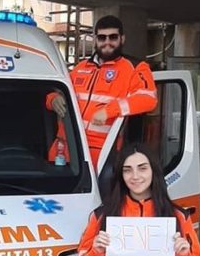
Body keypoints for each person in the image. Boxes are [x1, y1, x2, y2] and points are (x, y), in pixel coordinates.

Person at [47, 15, 158, 169]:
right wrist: (53, 99)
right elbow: (56, 91)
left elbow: (148, 99)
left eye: (113, 37)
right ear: (95, 39)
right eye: (102, 37)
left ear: (122, 39)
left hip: (102, 155)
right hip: (66, 150)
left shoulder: (135, 67)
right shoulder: (81, 67)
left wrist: (109, 111)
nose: (107, 42)